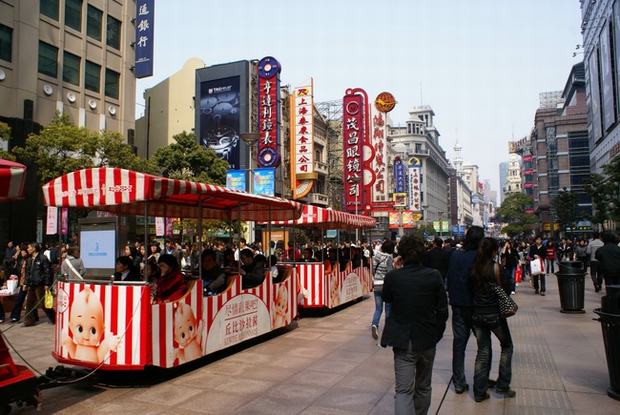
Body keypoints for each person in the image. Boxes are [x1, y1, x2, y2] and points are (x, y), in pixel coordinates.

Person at [380, 234, 448, 415]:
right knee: (424, 386)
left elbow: (386, 298)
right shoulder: (434, 276)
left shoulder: (393, 277)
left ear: (401, 254)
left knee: (403, 390)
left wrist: (395, 269)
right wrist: (436, 334)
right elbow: (443, 311)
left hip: (403, 340)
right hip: (427, 338)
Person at [471, 238, 515, 402]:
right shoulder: (496, 268)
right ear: (493, 251)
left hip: (477, 315)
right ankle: (503, 385)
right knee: (507, 346)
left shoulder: (474, 268)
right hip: (494, 315)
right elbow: (508, 287)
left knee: (483, 350)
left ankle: (479, 391)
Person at [445, 225, 484, 394]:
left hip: (458, 305)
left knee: (459, 344)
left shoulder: (455, 256)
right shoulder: (480, 257)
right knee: (484, 345)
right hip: (477, 307)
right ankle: (480, 382)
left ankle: (459, 382)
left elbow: (451, 279)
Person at [23, 243, 55, 326]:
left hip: (40, 284)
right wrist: (25, 283)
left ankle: (55, 318)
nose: (27, 249)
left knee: (43, 304)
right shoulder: (29, 259)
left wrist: (47, 284)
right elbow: (28, 272)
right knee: (29, 303)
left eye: (29, 247)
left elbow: (47, 272)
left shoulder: (43, 258)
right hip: (31, 284)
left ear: (34, 248)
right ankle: (29, 321)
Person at [371, 240, 395, 340]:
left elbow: (373, 270)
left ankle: (374, 324)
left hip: (376, 285)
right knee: (388, 309)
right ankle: (388, 329)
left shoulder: (376, 256)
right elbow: (390, 273)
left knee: (378, 309)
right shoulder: (389, 258)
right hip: (386, 286)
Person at [10, 244, 31, 322]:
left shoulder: (29, 260)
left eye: (23, 251)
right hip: (23, 282)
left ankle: (16, 315)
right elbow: (12, 264)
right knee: (21, 299)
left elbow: (29, 273)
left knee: (28, 301)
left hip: (28, 283)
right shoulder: (22, 260)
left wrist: (26, 282)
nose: (21, 253)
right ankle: (15, 315)